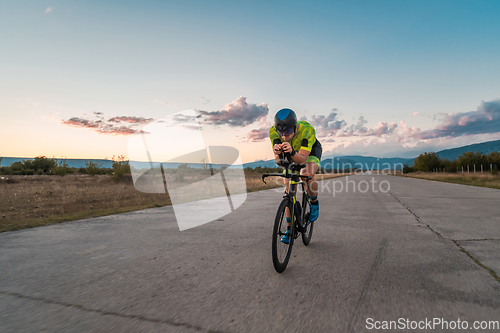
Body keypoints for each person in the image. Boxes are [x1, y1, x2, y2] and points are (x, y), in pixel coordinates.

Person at [269, 108, 322, 244]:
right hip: (291, 151)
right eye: (281, 133)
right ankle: (289, 228)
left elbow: (302, 159)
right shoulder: (273, 133)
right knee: (288, 186)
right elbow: (279, 161)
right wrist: (278, 154)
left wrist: (292, 151)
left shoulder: (306, 130)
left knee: (306, 175)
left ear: (295, 126)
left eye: (287, 132)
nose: (284, 136)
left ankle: (314, 203)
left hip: (309, 152)